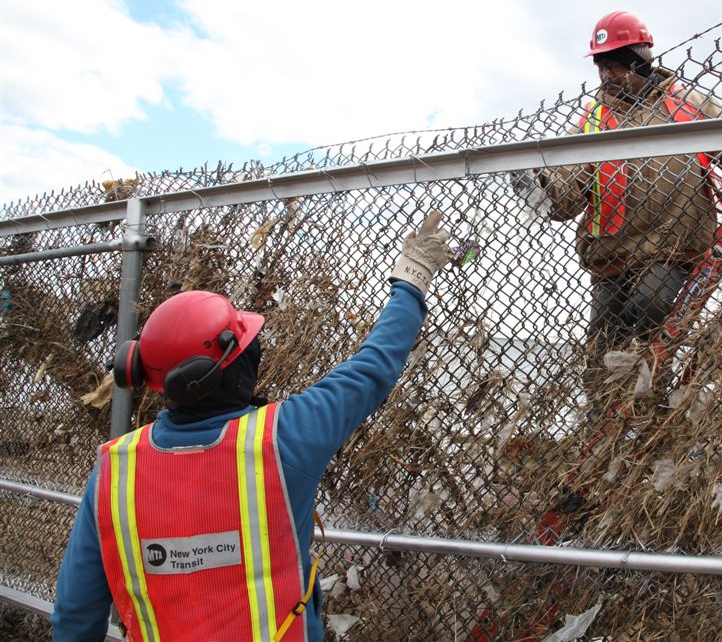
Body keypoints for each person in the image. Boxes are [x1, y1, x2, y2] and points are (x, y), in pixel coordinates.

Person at [51, 212, 451, 642]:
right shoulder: (281, 440)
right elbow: (372, 367)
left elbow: (76, 611)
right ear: (221, 372)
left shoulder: (114, 471)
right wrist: (412, 278)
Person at [514, 11, 722, 390]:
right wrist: (541, 184)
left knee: (650, 304)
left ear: (639, 61)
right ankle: (601, 419)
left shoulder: (686, 105)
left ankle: (650, 402)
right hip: (612, 256)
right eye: (601, 66)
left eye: (614, 65)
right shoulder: (593, 120)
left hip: (671, 248)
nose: (606, 76)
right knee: (601, 349)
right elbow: (567, 197)